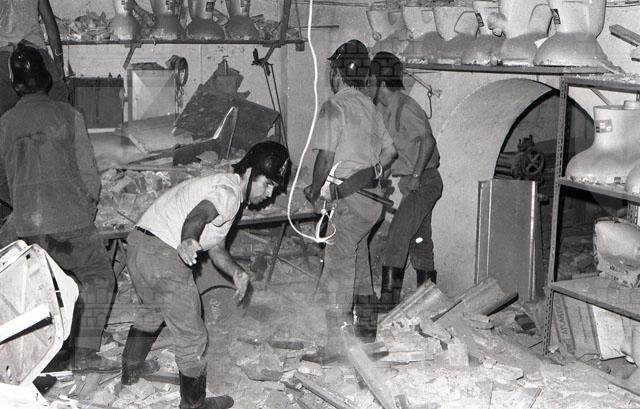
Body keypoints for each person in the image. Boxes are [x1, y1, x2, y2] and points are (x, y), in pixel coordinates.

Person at [121, 141, 290, 409]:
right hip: (164, 254)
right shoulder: (229, 193)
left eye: (274, 188)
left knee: (151, 310)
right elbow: (198, 215)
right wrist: (188, 239)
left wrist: (237, 273)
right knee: (192, 335)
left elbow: (217, 248)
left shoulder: (224, 189)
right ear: (249, 173)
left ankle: (131, 370)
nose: (269, 194)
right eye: (267, 184)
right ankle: (194, 405)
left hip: (139, 246)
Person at [0, 43, 120, 372]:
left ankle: (39, 355)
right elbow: (89, 175)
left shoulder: (6, 122)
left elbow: (3, 180)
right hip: (72, 223)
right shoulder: (69, 115)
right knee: (99, 278)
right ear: (46, 79)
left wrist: (22, 204)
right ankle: (85, 354)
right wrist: (86, 209)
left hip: (27, 226)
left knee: (28, 287)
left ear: (15, 84)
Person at [303, 39, 397, 358]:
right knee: (358, 261)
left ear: (338, 72)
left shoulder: (335, 106)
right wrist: (371, 171)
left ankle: (336, 347)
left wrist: (315, 190)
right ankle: (367, 335)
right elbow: (390, 152)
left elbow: (325, 157)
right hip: (372, 202)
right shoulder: (369, 106)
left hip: (350, 201)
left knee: (337, 271)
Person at [368, 51, 443, 313]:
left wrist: (416, 176)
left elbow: (428, 141)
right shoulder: (382, 109)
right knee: (420, 241)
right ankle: (428, 302)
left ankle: (388, 302)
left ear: (381, 82)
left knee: (398, 234)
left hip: (425, 181)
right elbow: (390, 150)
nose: (368, 84)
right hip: (411, 182)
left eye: (371, 79)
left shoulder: (407, 107)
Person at [0, 0, 68, 117]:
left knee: (4, 111)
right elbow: (50, 24)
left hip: (4, 53)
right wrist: (58, 64)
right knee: (60, 102)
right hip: (35, 52)